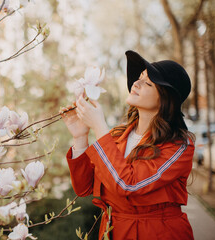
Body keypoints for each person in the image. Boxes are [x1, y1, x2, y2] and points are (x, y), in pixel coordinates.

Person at [61, 50, 195, 240]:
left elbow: (128, 184)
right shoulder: (118, 136)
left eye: (147, 82)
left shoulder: (179, 147)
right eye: (139, 78)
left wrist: (99, 127)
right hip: (114, 231)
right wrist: (80, 136)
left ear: (165, 98)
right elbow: (84, 188)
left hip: (159, 233)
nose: (136, 83)